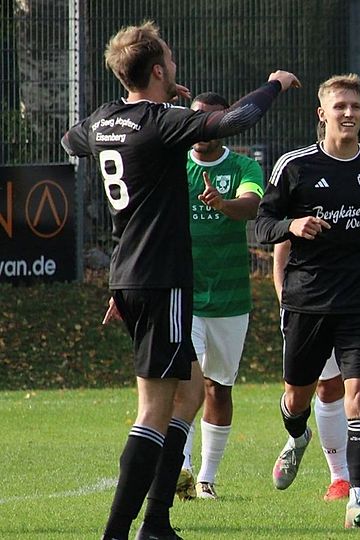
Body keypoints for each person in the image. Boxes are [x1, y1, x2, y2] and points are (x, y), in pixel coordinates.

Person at [60, 20, 297, 540]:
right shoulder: (161, 121)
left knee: (189, 393)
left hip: (128, 277)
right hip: (160, 279)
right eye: (169, 60)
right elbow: (236, 119)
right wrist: (276, 82)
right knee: (154, 409)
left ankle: (159, 521)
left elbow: (70, 138)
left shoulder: (105, 120)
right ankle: (119, 533)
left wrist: (155, 110)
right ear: (160, 69)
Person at [255, 73, 360, 530]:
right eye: (339, 106)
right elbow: (264, 224)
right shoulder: (296, 166)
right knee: (298, 395)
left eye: (355, 107)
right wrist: (293, 226)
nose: (348, 114)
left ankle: (357, 500)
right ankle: (297, 435)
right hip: (307, 302)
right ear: (322, 114)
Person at [172, 91, 264, 502]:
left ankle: (207, 476)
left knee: (218, 388)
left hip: (230, 299)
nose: (202, 130)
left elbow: (250, 207)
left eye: (211, 121)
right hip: (185, 295)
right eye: (197, 121)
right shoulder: (173, 165)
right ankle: (182, 469)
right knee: (182, 384)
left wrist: (222, 203)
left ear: (224, 123)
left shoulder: (244, 165)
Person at [272, 238, 360, 502]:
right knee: (326, 387)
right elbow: (281, 239)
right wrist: (284, 298)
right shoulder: (310, 197)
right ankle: (338, 477)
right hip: (316, 305)